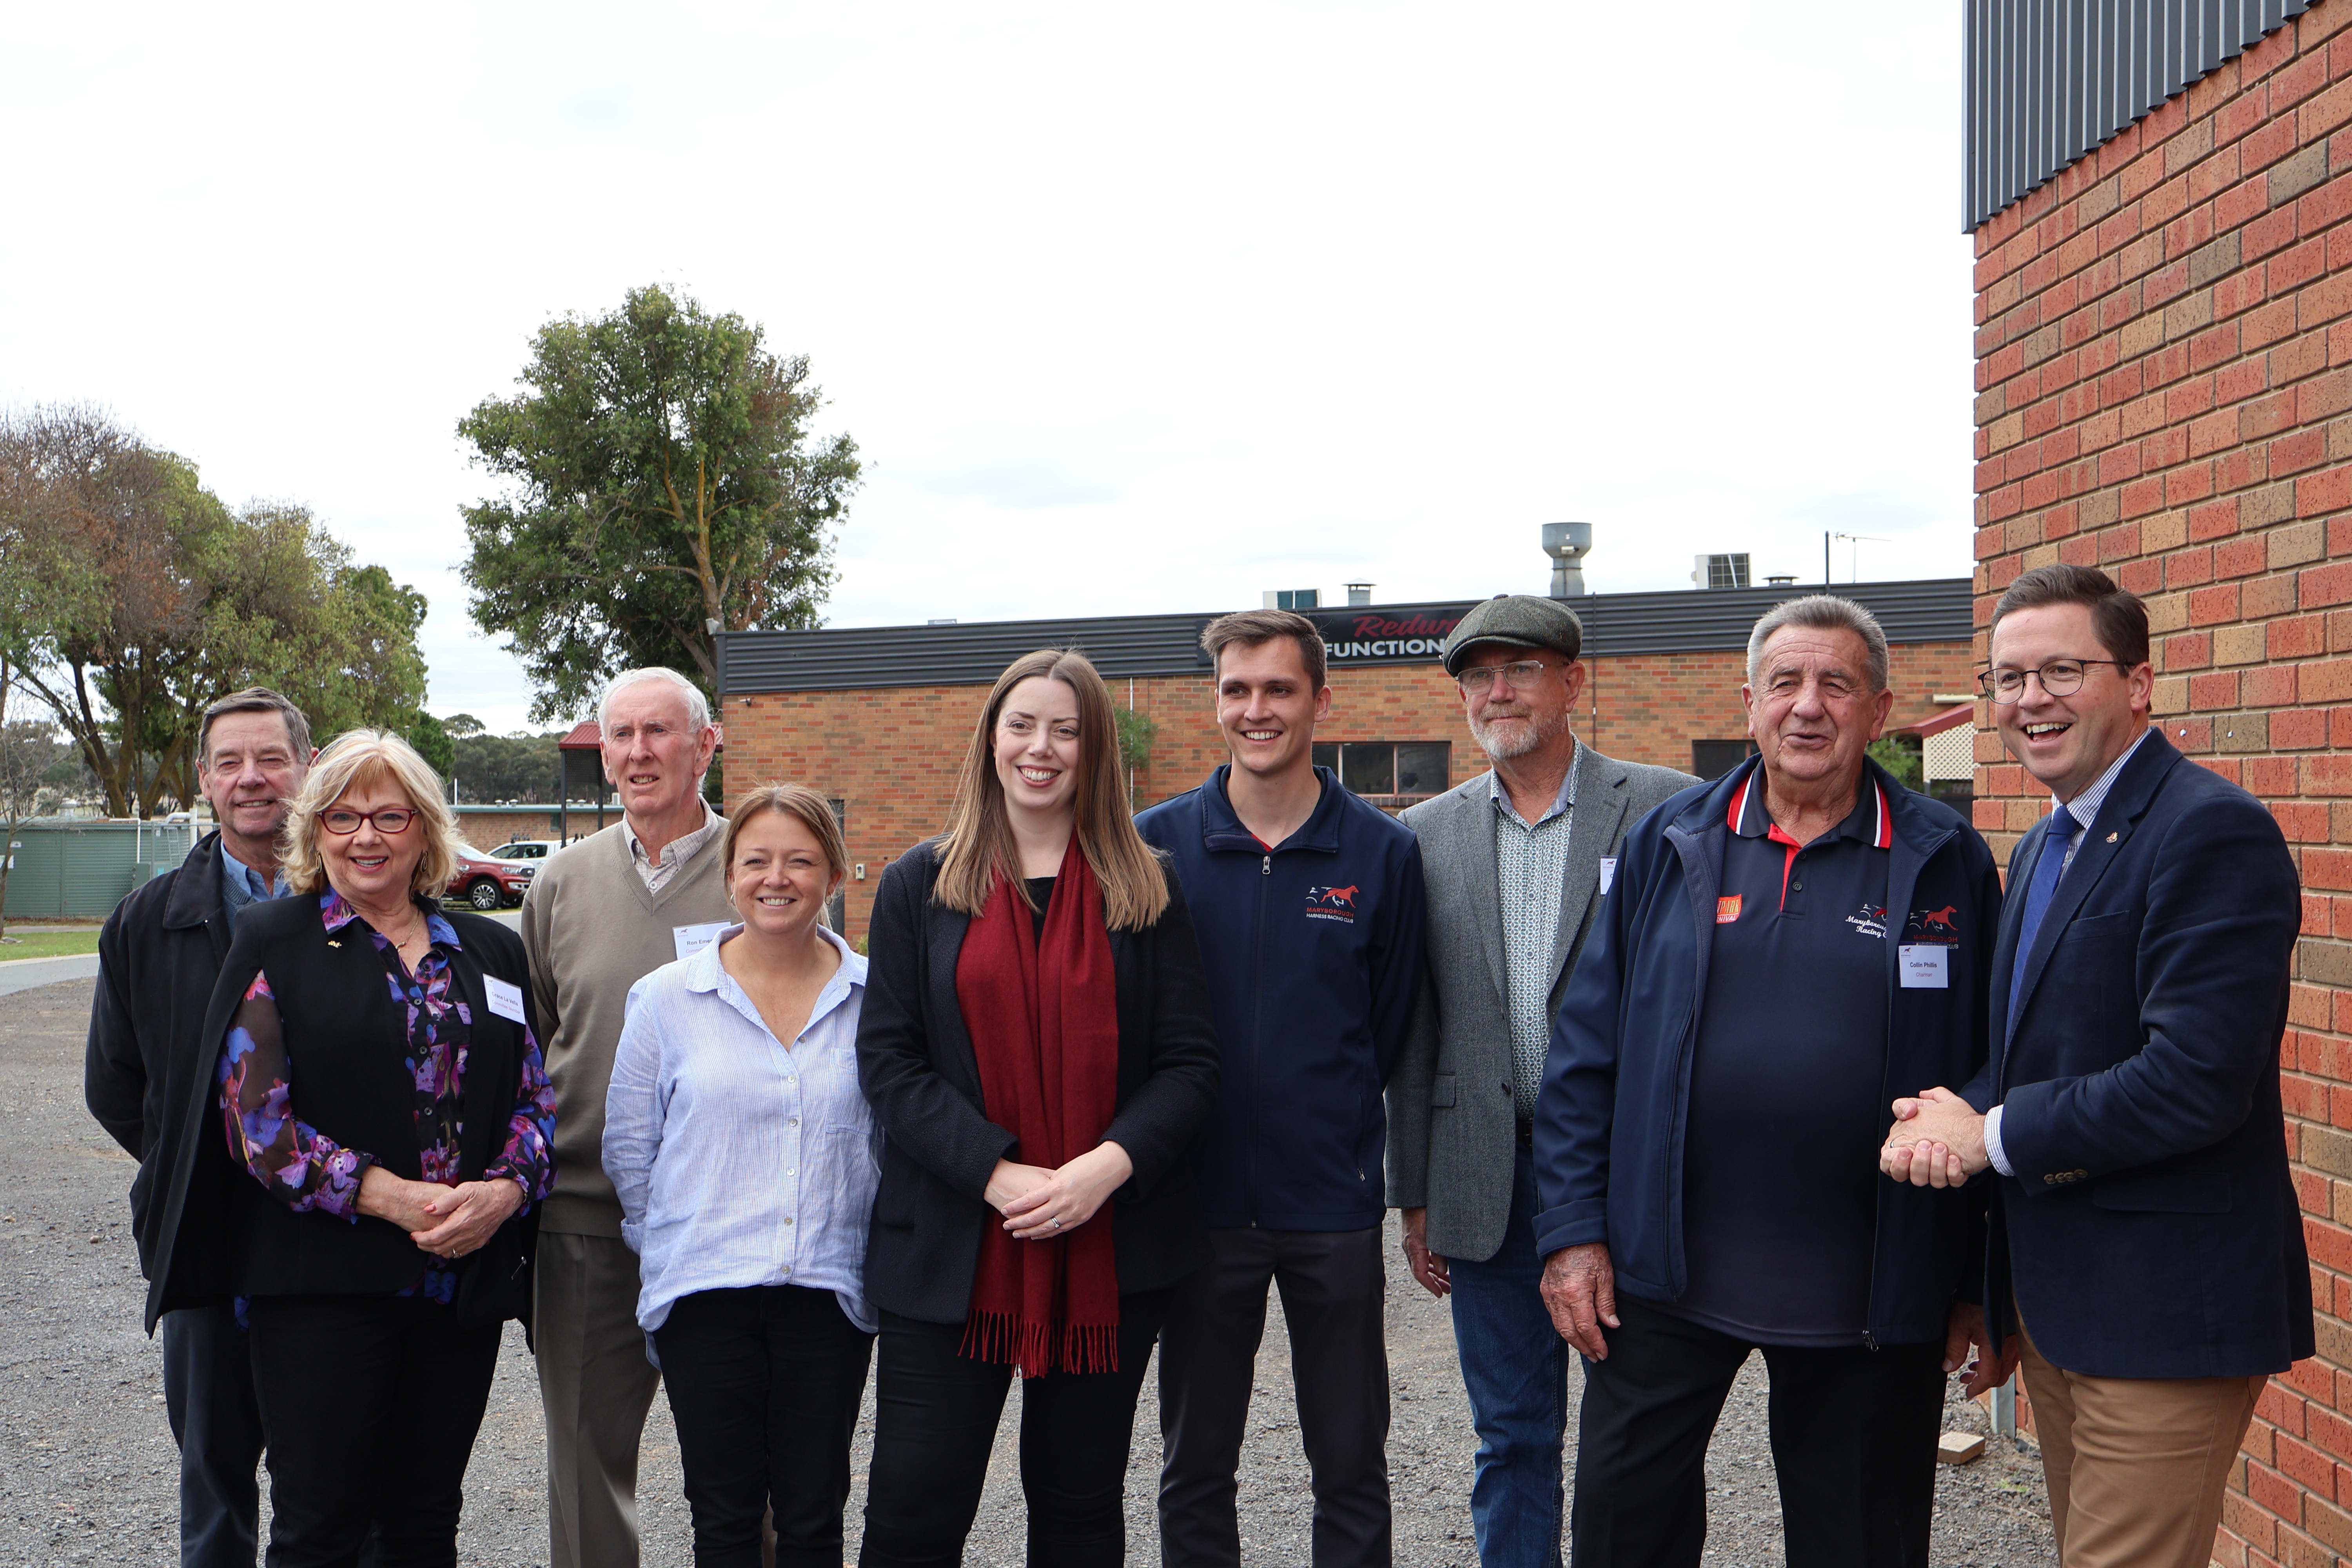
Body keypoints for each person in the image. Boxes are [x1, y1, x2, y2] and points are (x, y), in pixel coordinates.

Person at [1534, 595, 2001, 1568]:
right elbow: (1584, 1052)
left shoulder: (1946, 855)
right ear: (1749, 702)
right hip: (1660, 1270)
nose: (1808, 705)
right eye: (1785, 681)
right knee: (1625, 1533)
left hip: (1871, 1285)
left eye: (1836, 683)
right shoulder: (1667, 843)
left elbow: (1987, 1066)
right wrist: (1574, 1232)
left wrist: (1974, 1283)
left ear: (1878, 710)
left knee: (1862, 1546)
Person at [1883, 563, 2310, 1568]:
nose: (2032, 698)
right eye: (2009, 677)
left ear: (2140, 682)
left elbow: (2195, 1080)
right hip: (2065, 1313)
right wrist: (1950, 1110)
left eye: (2063, 669)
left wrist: (1983, 1135)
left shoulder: (2210, 830)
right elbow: (2041, 1051)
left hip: (2164, 1317)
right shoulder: (2045, 845)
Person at [142, 728, 557, 1564]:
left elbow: (537, 1101)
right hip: (318, 1288)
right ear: (315, 830)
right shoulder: (273, 939)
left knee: (425, 1520)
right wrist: (392, 1195)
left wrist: (503, 1193)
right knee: (318, 1526)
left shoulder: (490, 950)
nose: (365, 836)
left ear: (426, 831)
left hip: (457, 1286)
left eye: (390, 815)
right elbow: (257, 1124)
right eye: (342, 816)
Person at [853, 646, 1219, 1567]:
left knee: (1080, 1505)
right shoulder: (917, 884)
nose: (1041, 747)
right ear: (991, 740)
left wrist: (1105, 1168)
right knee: (913, 1507)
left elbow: (1189, 1064)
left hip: (1109, 1243)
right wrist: (995, 1169)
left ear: (1095, 749)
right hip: (953, 1243)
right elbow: (889, 1063)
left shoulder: (1149, 885)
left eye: (1066, 728)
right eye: (1022, 724)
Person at [1383, 596, 1693, 1568]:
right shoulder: (1423, 834)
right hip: (1487, 1180)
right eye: (1478, 674)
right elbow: (1413, 1023)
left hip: (1625, 1179)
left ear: (1575, 681)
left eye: (1520, 668)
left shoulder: (1666, 808)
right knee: (1511, 1437)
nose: (1498, 690)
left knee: (1641, 1441)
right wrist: (1417, 1188)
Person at [1137, 609, 1428, 1568]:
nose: (1255, 709)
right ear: (1214, 701)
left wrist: (1338, 1133)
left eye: (1278, 689)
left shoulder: (1382, 853)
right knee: (1194, 1462)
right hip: (1198, 1201)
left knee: (1350, 1459)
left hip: (1331, 1208)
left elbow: (1387, 1024)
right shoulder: (1155, 848)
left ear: (1320, 700)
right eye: (1236, 689)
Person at [604, 784, 875, 1568]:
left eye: (800, 860)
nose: (776, 877)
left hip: (828, 1291)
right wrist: (669, 1246)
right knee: (722, 1519)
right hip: (705, 1297)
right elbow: (631, 1144)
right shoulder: (665, 999)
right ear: (730, 875)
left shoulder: (876, 998)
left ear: (833, 874)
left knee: (814, 1514)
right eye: (756, 859)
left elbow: (887, 1142)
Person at [85, 687, 314, 1568]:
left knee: (330, 1477)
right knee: (216, 1478)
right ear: (206, 780)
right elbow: (117, 1083)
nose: (252, 778)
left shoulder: (359, 903)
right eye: (230, 762)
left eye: (271, 758)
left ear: (308, 766)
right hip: (206, 1243)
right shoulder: (148, 921)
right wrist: (202, 1167)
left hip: (334, 1241)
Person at [523, 666, 741, 1568]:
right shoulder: (561, 882)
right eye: (622, 735)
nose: (640, 751)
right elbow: (539, 1036)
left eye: (660, 731)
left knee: (743, 1466)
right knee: (584, 1459)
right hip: (584, 1216)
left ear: (707, 745)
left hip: (728, 1222)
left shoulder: (761, 868)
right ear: (603, 753)